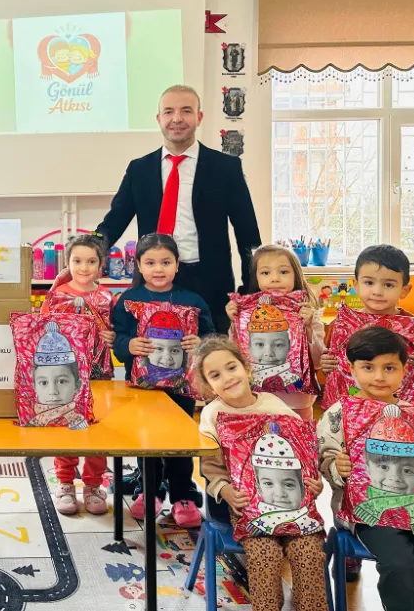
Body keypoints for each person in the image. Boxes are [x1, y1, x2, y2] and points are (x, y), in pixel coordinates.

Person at [318, 327, 414, 611]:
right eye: (368, 367)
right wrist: (337, 467)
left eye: (389, 367)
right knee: (400, 566)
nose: (379, 377)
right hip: (372, 516)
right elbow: (324, 459)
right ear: (351, 368)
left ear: (404, 370)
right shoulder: (339, 414)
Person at [95, 85, 261, 334]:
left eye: (186, 111)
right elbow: (113, 221)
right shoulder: (139, 169)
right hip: (152, 280)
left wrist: (251, 289)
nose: (177, 118)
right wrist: (89, 248)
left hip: (209, 284)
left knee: (209, 353)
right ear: (158, 118)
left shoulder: (225, 167)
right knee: (148, 351)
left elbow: (247, 232)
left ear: (199, 117)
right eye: (169, 111)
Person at [193, 336, 327, 611]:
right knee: (265, 555)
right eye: (215, 375)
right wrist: (224, 490)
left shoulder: (272, 403)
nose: (227, 378)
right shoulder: (212, 414)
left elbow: (303, 451)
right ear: (208, 386)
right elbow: (210, 466)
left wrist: (315, 482)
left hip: (295, 506)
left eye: (232, 367)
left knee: (309, 552)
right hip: (247, 507)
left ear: (246, 368)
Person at [112, 233, 213, 527]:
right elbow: (118, 337)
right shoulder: (129, 300)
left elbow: (210, 335)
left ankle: (183, 494)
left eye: (166, 262)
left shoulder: (192, 300)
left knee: (180, 440)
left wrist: (200, 343)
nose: (158, 269)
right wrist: (129, 345)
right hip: (142, 387)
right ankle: (149, 490)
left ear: (177, 265)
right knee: (147, 440)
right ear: (138, 266)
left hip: (182, 387)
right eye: (151, 263)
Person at [42, 235, 115, 516]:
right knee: (67, 424)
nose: (84, 268)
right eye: (77, 261)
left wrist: (113, 337)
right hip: (65, 373)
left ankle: (93, 485)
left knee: (99, 429)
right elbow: (43, 329)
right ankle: (65, 483)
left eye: (91, 261)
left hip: (99, 374)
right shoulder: (57, 295)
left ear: (100, 264)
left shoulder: (107, 297)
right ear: (67, 263)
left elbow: (118, 332)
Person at [321, 245, 414, 388]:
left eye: (388, 285)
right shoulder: (341, 325)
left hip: (398, 401)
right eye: (369, 282)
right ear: (356, 285)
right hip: (353, 401)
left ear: (404, 290)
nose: (377, 291)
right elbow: (332, 368)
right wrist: (326, 365)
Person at [226, 244, 324, 419]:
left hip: (297, 402)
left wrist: (309, 328)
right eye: (265, 273)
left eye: (283, 272)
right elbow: (234, 356)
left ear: (296, 275)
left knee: (299, 436)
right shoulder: (247, 314)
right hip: (257, 400)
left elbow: (318, 362)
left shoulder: (307, 314)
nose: (275, 279)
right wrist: (235, 323)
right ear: (256, 277)